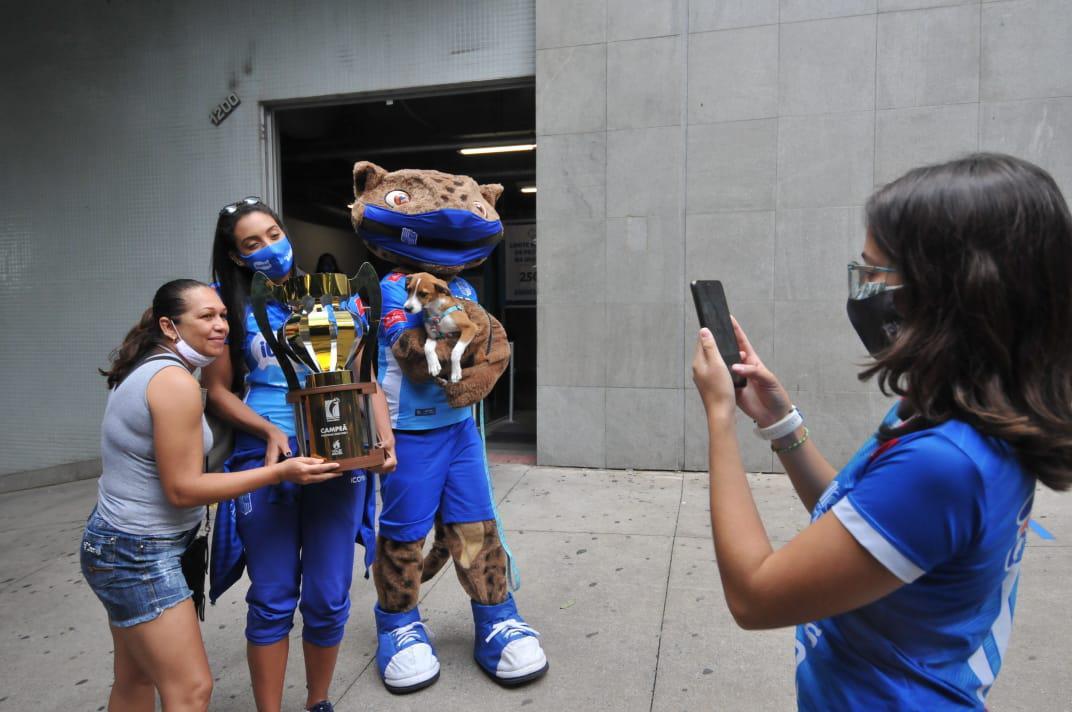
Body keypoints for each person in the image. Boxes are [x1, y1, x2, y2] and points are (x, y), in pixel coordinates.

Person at [690, 153, 1072, 710]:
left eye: (876, 274)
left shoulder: (948, 462)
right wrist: (779, 421)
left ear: (951, 291)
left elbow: (754, 596)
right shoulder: (957, 406)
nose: (863, 289)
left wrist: (719, 417)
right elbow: (861, 524)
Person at [82, 279, 341, 712]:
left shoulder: (147, 366)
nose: (221, 325)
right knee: (192, 690)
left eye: (223, 315)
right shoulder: (173, 382)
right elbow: (183, 490)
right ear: (168, 325)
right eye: (206, 316)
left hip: (114, 543)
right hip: (140, 554)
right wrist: (278, 472)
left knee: (134, 679)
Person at [202, 197, 396, 712]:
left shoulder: (332, 296)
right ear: (238, 257)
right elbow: (217, 390)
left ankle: (318, 702)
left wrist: (384, 437)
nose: (269, 248)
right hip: (265, 461)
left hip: (339, 454)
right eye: (252, 244)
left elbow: (364, 374)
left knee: (330, 597)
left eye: (272, 233)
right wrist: (268, 431)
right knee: (271, 595)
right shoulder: (229, 307)